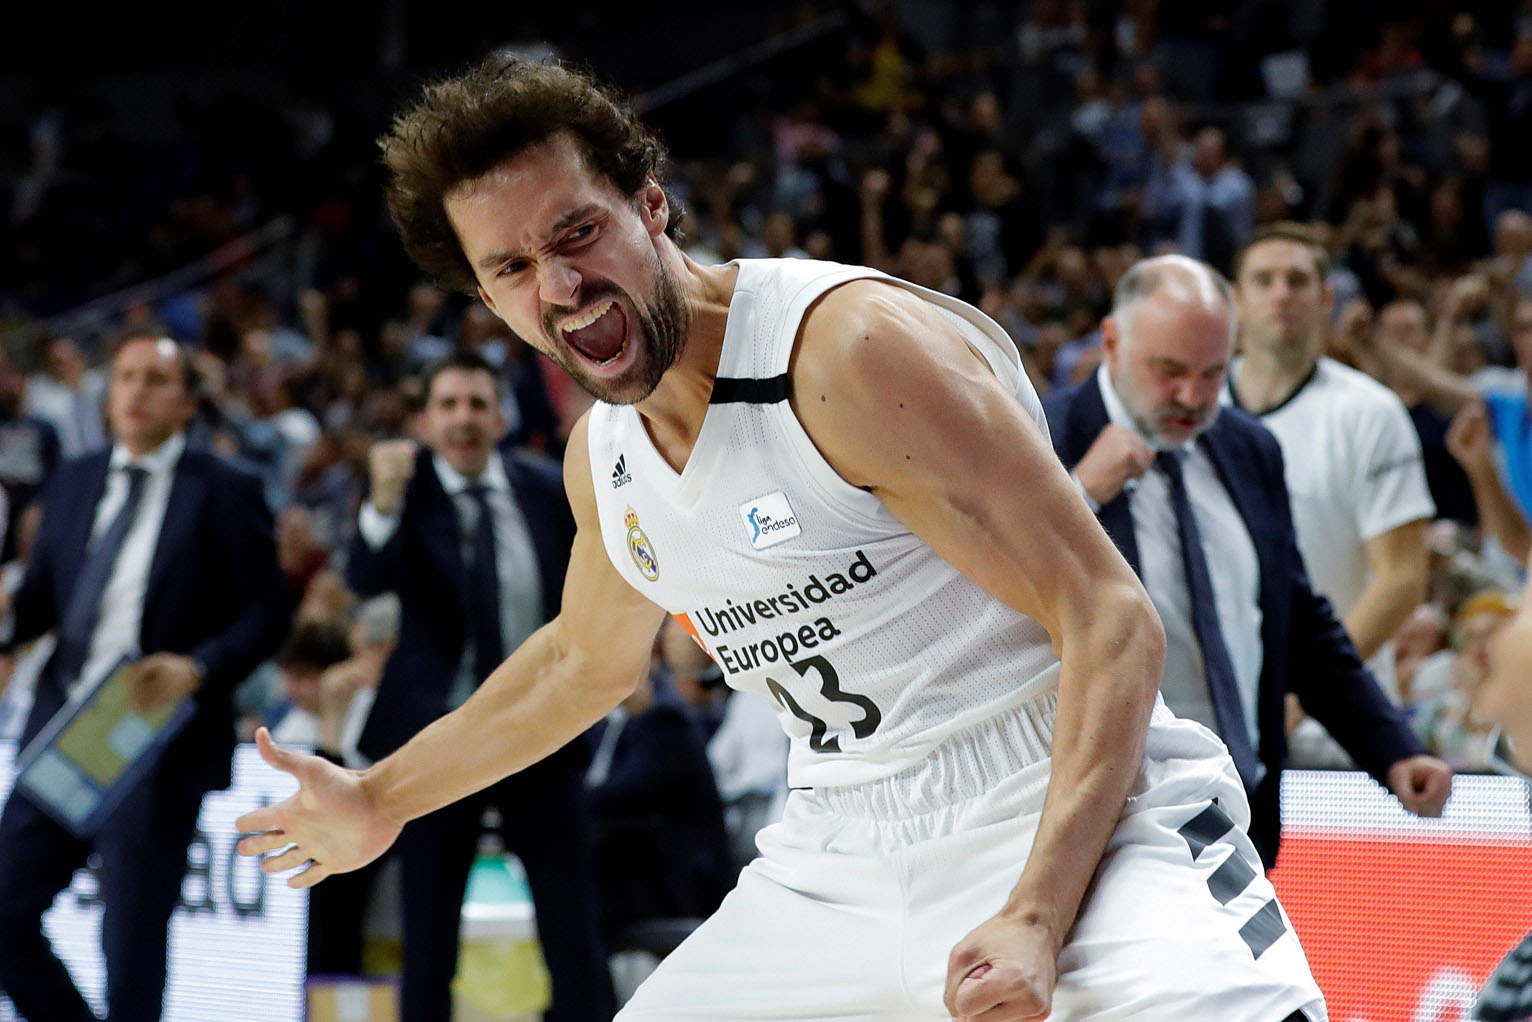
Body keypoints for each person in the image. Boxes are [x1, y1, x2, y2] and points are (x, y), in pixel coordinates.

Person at [239, 56, 1328, 1021]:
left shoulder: (842, 352)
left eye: (576, 232)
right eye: (511, 268)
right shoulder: (603, 457)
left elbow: (1110, 615)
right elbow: (579, 664)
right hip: (837, 848)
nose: (559, 285)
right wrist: (379, 796)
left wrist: (1036, 913)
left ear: (650, 204)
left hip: (1061, 798)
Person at [1042, 254, 1451, 869]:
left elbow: (1297, 624)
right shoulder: (1039, 441)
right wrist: (1081, 495)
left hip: (1242, 807)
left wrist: (1392, 749)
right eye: (1170, 371)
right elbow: (989, 607)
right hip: (1105, 815)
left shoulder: (1247, 446)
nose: (1193, 396)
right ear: (1112, 342)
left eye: (1213, 372)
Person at [0, 334, 289, 1022]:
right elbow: (43, 598)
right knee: (4, 908)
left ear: (187, 404)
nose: (135, 391)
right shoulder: (74, 478)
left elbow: (268, 611)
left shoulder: (227, 488)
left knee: (130, 942)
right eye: (126, 377)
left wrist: (199, 668)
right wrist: (9, 615)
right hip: (68, 726)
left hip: (156, 731)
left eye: (156, 380)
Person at [343, 350, 611, 1021]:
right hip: (439, 738)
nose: (462, 418)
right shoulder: (403, 494)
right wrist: (381, 503)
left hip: (542, 731)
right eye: (448, 405)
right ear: (425, 422)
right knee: (428, 935)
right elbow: (364, 578)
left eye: (476, 404)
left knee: (573, 928)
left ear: (500, 418)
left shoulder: (546, 486)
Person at [1226, 223, 1437, 763]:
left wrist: (1306, 693)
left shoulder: (1370, 412)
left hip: (1335, 729)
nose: (1281, 293)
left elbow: (1402, 579)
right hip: (1213, 722)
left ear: (1325, 299)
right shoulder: (1195, 409)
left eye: (1297, 280)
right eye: (1264, 280)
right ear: (1235, 299)